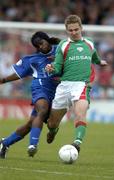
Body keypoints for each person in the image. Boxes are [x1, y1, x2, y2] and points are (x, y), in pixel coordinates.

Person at [45, 14, 107, 153]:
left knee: (80, 114)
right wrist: (51, 68)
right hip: (64, 86)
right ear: (67, 30)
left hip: (81, 85)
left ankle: (77, 144)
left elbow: (95, 56)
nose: (73, 32)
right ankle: (53, 131)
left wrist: (99, 62)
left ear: (81, 28)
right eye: (70, 30)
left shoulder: (89, 43)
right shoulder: (64, 45)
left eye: (76, 29)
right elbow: (58, 65)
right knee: (52, 123)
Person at [0, 31, 60, 159]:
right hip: (40, 88)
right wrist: (3, 80)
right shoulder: (32, 59)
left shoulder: (61, 50)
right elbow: (18, 74)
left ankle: (4, 143)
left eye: (42, 43)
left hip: (57, 92)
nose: (40, 47)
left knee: (32, 124)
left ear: (47, 40)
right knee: (42, 110)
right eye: (37, 46)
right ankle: (32, 146)